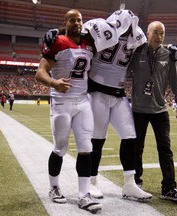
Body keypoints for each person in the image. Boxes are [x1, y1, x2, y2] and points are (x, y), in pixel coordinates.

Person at [35, 9, 102, 214]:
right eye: (72, 20)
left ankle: (84, 195)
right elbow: (40, 72)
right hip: (61, 102)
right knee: (60, 147)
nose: (77, 23)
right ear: (65, 22)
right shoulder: (58, 41)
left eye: (79, 20)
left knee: (86, 147)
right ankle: (54, 187)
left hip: (82, 102)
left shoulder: (89, 43)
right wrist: (54, 82)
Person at [82, 9, 152, 201]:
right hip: (97, 91)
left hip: (119, 93)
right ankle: (92, 180)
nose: (130, 29)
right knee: (97, 138)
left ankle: (129, 184)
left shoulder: (136, 36)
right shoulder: (101, 28)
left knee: (130, 136)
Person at [127, 21, 177, 202]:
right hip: (138, 109)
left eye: (162, 33)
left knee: (165, 149)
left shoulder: (169, 55)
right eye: (155, 32)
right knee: (137, 148)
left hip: (160, 110)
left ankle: (169, 187)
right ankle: (136, 184)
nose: (159, 37)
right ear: (147, 33)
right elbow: (123, 72)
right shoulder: (137, 52)